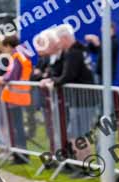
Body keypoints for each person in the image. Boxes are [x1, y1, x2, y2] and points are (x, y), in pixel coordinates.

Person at [41, 24, 95, 166]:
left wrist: (53, 82)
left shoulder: (74, 52)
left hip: (83, 100)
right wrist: (53, 80)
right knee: (75, 134)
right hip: (80, 99)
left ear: (65, 38)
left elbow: (68, 75)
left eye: (59, 40)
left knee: (78, 135)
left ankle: (87, 166)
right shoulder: (79, 49)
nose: (58, 43)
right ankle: (82, 165)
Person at [0, 34, 31, 163]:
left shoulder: (17, 56)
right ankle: (19, 154)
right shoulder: (20, 55)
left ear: (8, 46)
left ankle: (21, 155)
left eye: (4, 47)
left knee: (17, 128)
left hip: (16, 97)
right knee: (17, 127)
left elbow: (11, 76)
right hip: (17, 97)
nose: (4, 50)